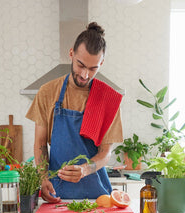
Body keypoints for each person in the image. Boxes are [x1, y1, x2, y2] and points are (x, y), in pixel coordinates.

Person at [26, 22, 123, 203]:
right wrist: (43, 178)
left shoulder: (108, 99)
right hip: (55, 195)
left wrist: (85, 169)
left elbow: (106, 153)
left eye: (93, 68)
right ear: (71, 54)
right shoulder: (47, 92)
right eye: (81, 65)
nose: (85, 75)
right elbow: (40, 143)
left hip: (97, 197)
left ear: (101, 63)